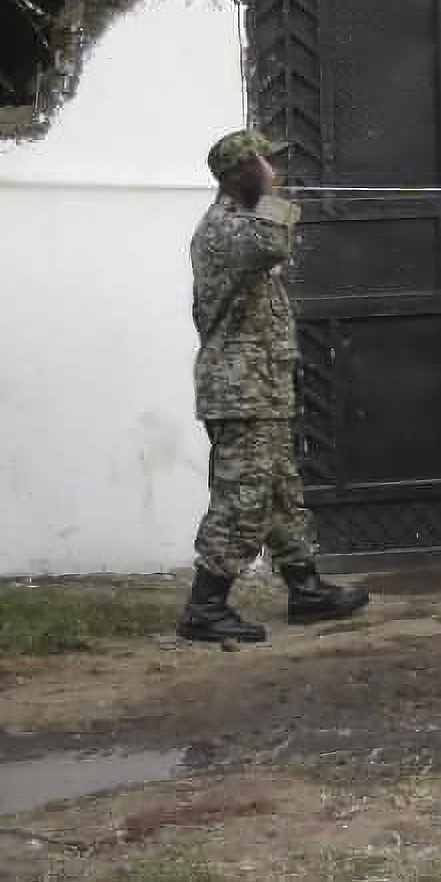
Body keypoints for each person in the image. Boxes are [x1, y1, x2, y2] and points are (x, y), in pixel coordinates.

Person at [177, 130, 370, 643]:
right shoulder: (224, 229)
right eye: (265, 162)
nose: (275, 169)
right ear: (241, 171)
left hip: (261, 387)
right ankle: (205, 607)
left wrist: (270, 195)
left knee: (282, 494)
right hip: (240, 392)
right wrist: (274, 194)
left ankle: (305, 589)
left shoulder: (242, 220)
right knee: (243, 498)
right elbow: (273, 241)